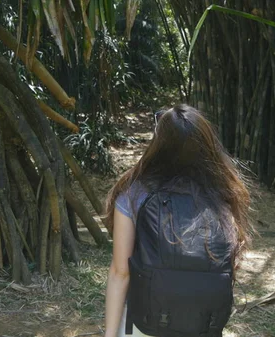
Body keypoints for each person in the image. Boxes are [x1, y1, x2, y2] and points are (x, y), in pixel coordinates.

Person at [103, 104, 254, 337]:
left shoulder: (135, 193)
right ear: (207, 146)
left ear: (158, 144)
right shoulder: (223, 195)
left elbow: (120, 272)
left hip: (145, 324)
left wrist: (110, 334)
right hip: (203, 325)